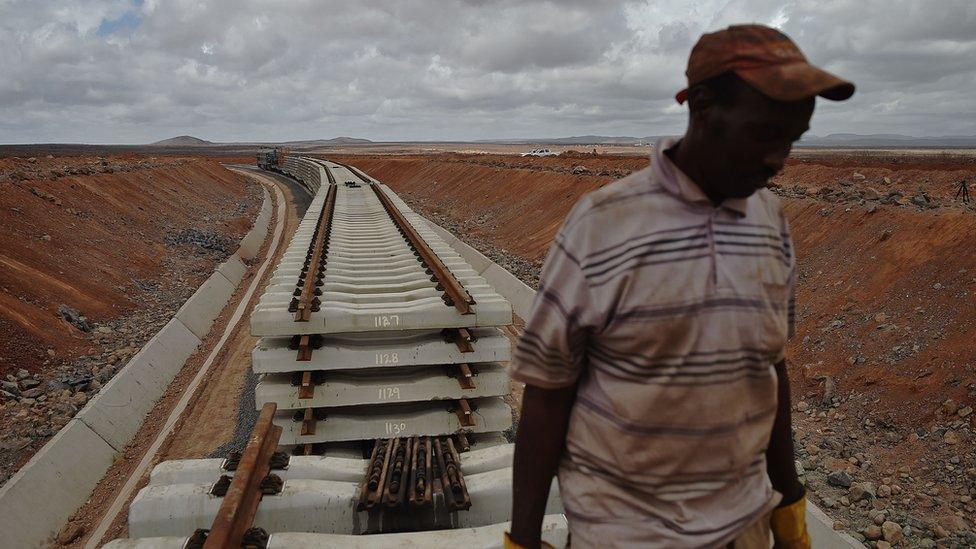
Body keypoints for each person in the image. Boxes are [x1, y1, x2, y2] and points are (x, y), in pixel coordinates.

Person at [506, 24, 855, 548]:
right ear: (703, 106)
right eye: (763, 133)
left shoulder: (769, 221)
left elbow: (770, 366)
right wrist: (525, 539)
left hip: (743, 529)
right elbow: (548, 392)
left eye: (792, 139)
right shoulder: (602, 225)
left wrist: (789, 506)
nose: (778, 158)